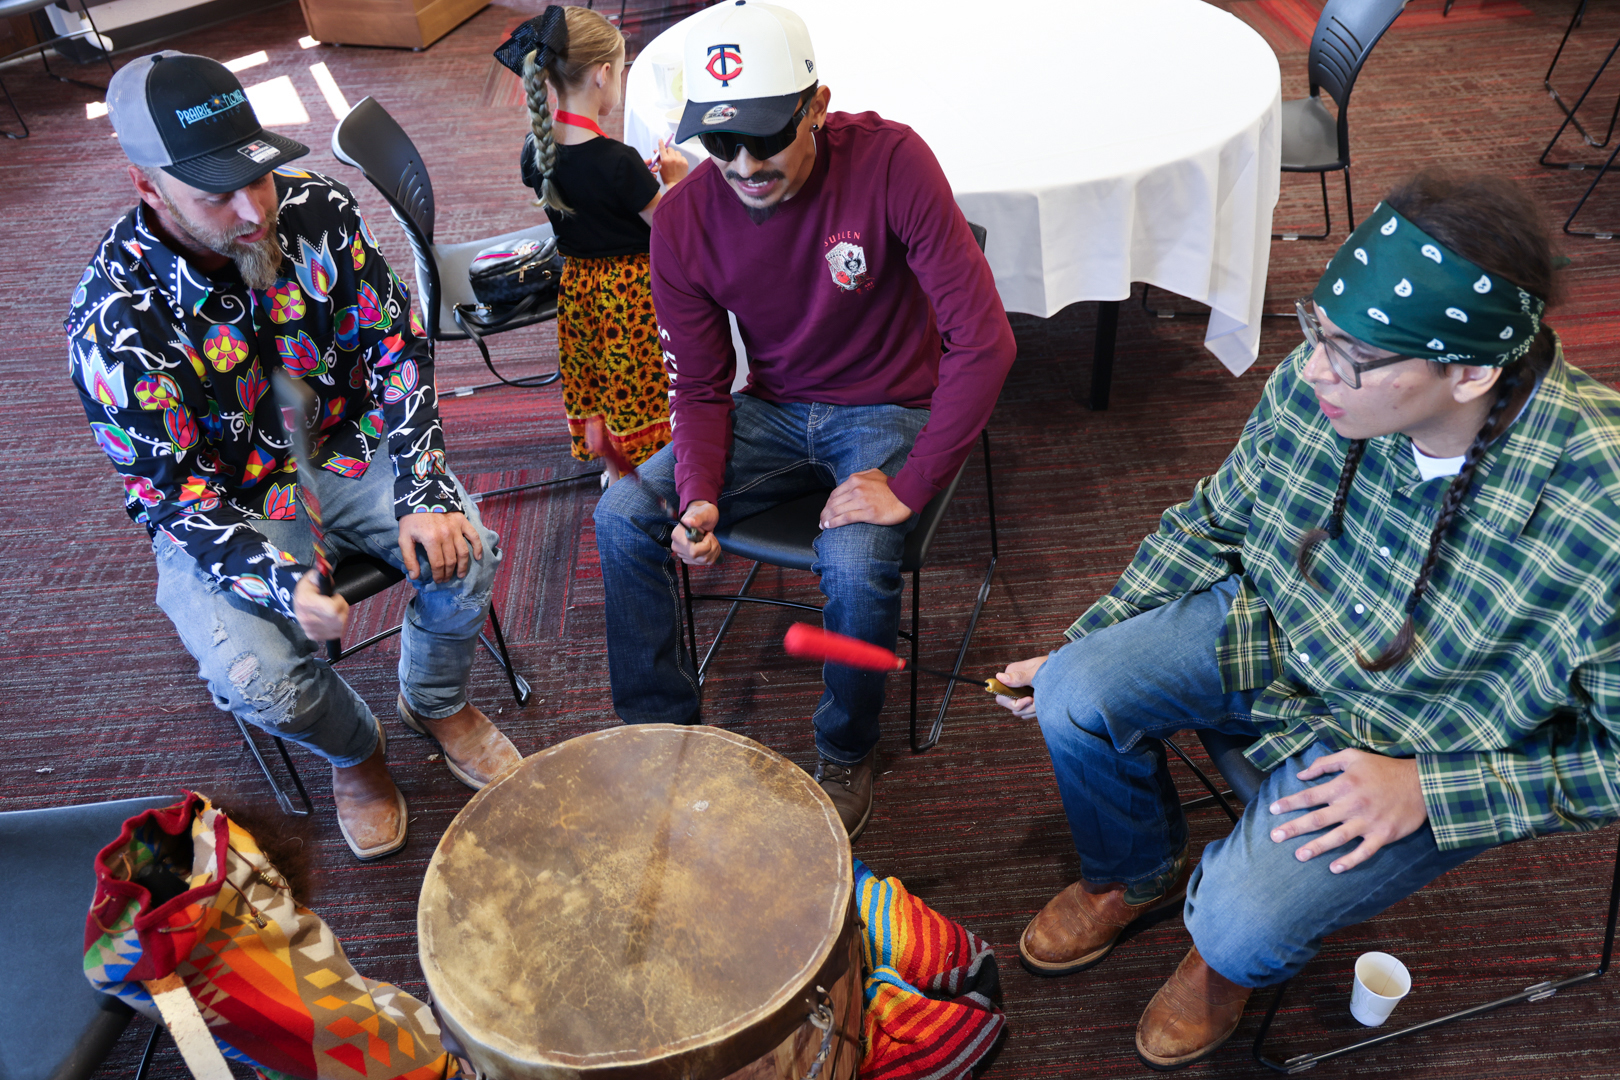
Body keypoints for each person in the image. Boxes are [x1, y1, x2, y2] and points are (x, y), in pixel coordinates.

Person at [993, 170, 1620, 1070]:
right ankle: (1134, 871)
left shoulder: (1601, 506)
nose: (1314, 367)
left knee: (1241, 927)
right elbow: (1219, 518)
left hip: (1419, 745)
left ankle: (1222, 959)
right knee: (1075, 688)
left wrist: (1427, 790)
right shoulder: (1323, 377)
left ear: (1470, 371)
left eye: (1353, 354)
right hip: (1280, 637)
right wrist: (1087, 637)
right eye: (1315, 329)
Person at [66, 52, 522, 862]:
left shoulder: (317, 209)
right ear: (149, 188)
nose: (255, 209)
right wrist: (282, 586)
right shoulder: (113, 323)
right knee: (256, 677)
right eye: (217, 195)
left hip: (345, 445)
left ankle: (434, 700)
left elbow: (396, 348)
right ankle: (358, 753)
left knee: (467, 550)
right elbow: (176, 501)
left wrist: (421, 486)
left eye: (261, 177)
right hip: (227, 509)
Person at [594, 0, 1017, 839]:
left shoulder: (893, 161)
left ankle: (847, 747)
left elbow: (987, 344)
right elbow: (703, 385)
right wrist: (700, 492)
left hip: (888, 409)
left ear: (816, 107)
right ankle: (659, 728)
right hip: (777, 411)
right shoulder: (680, 222)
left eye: (765, 137)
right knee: (620, 516)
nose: (744, 165)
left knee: (858, 566)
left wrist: (913, 483)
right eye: (720, 144)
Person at [499, 4, 689, 481]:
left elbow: (587, 195)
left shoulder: (535, 150)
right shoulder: (619, 162)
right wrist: (674, 182)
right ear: (603, 75)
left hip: (580, 287)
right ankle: (651, 475)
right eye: (621, 71)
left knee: (599, 372)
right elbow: (671, 228)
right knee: (637, 377)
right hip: (630, 294)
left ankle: (612, 464)